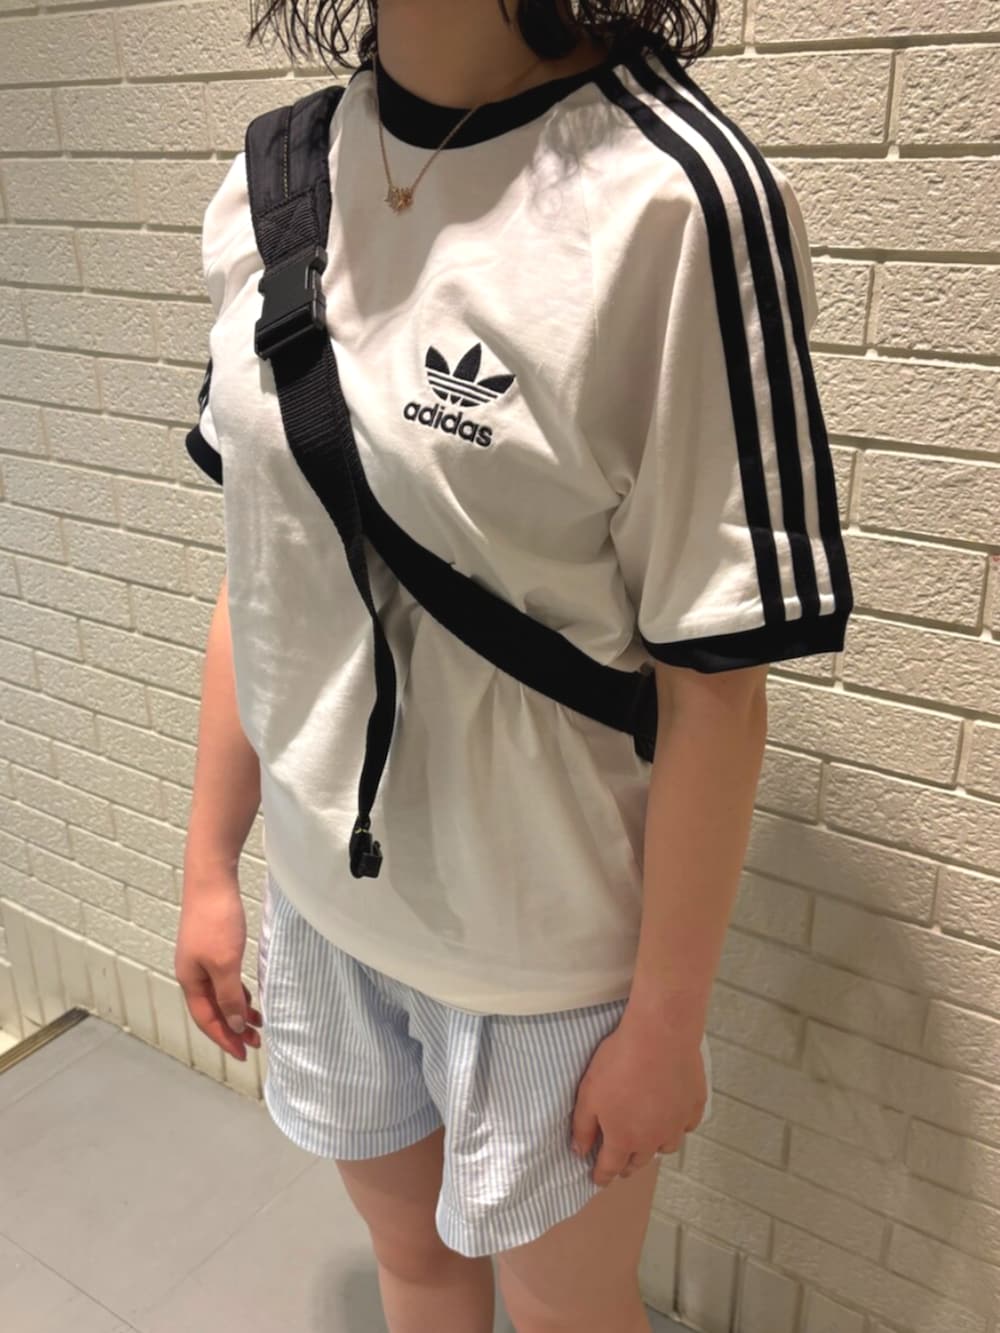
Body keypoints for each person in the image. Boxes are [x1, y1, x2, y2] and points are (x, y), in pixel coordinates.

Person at [174, 0, 854, 1329]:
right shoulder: (274, 178)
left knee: (566, 1316)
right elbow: (265, 561)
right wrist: (212, 861)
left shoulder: (675, 202)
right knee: (414, 1265)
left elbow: (718, 682)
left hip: (546, 962)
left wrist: (664, 1026)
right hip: (324, 903)